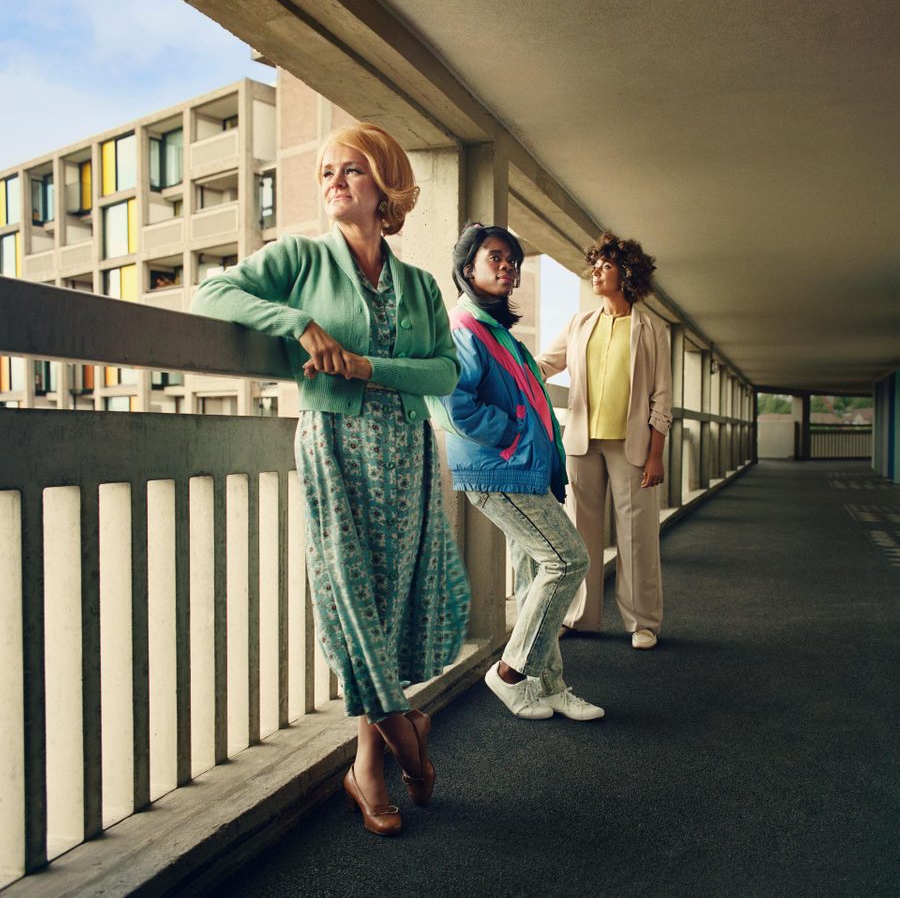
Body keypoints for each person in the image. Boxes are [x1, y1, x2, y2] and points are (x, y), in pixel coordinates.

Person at [193, 122, 470, 836]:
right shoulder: (301, 260)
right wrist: (300, 325)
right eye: (325, 172)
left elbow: (445, 369)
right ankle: (407, 737)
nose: (334, 181)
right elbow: (212, 293)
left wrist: (371, 366)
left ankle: (368, 768)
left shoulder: (416, 284)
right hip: (334, 447)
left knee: (387, 605)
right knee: (346, 594)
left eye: (351, 170)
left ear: (385, 185)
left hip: (406, 450)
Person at [427, 223, 604, 722]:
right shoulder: (463, 327)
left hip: (519, 471)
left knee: (534, 580)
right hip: (497, 472)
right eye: (495, 258)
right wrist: (513, 434)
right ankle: (509, 672)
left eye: (513, 260)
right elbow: (451, 405)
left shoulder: (495, 329)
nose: (508, 267)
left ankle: (548, 686)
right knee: (568, 561)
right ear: (468, 269)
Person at [536, 231, 671, 649]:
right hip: (581, 443)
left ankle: (642, 622)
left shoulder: (651, 329)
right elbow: (545, 364)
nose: (596, 272)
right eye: (594, 265)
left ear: (627, 274)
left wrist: (655, 455)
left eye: (606, 266)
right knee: (581, 532)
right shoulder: (580, 324)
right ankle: (581, 617)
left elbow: (662, 396)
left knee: (637, 535)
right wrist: (504, 364)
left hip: (631, 446)